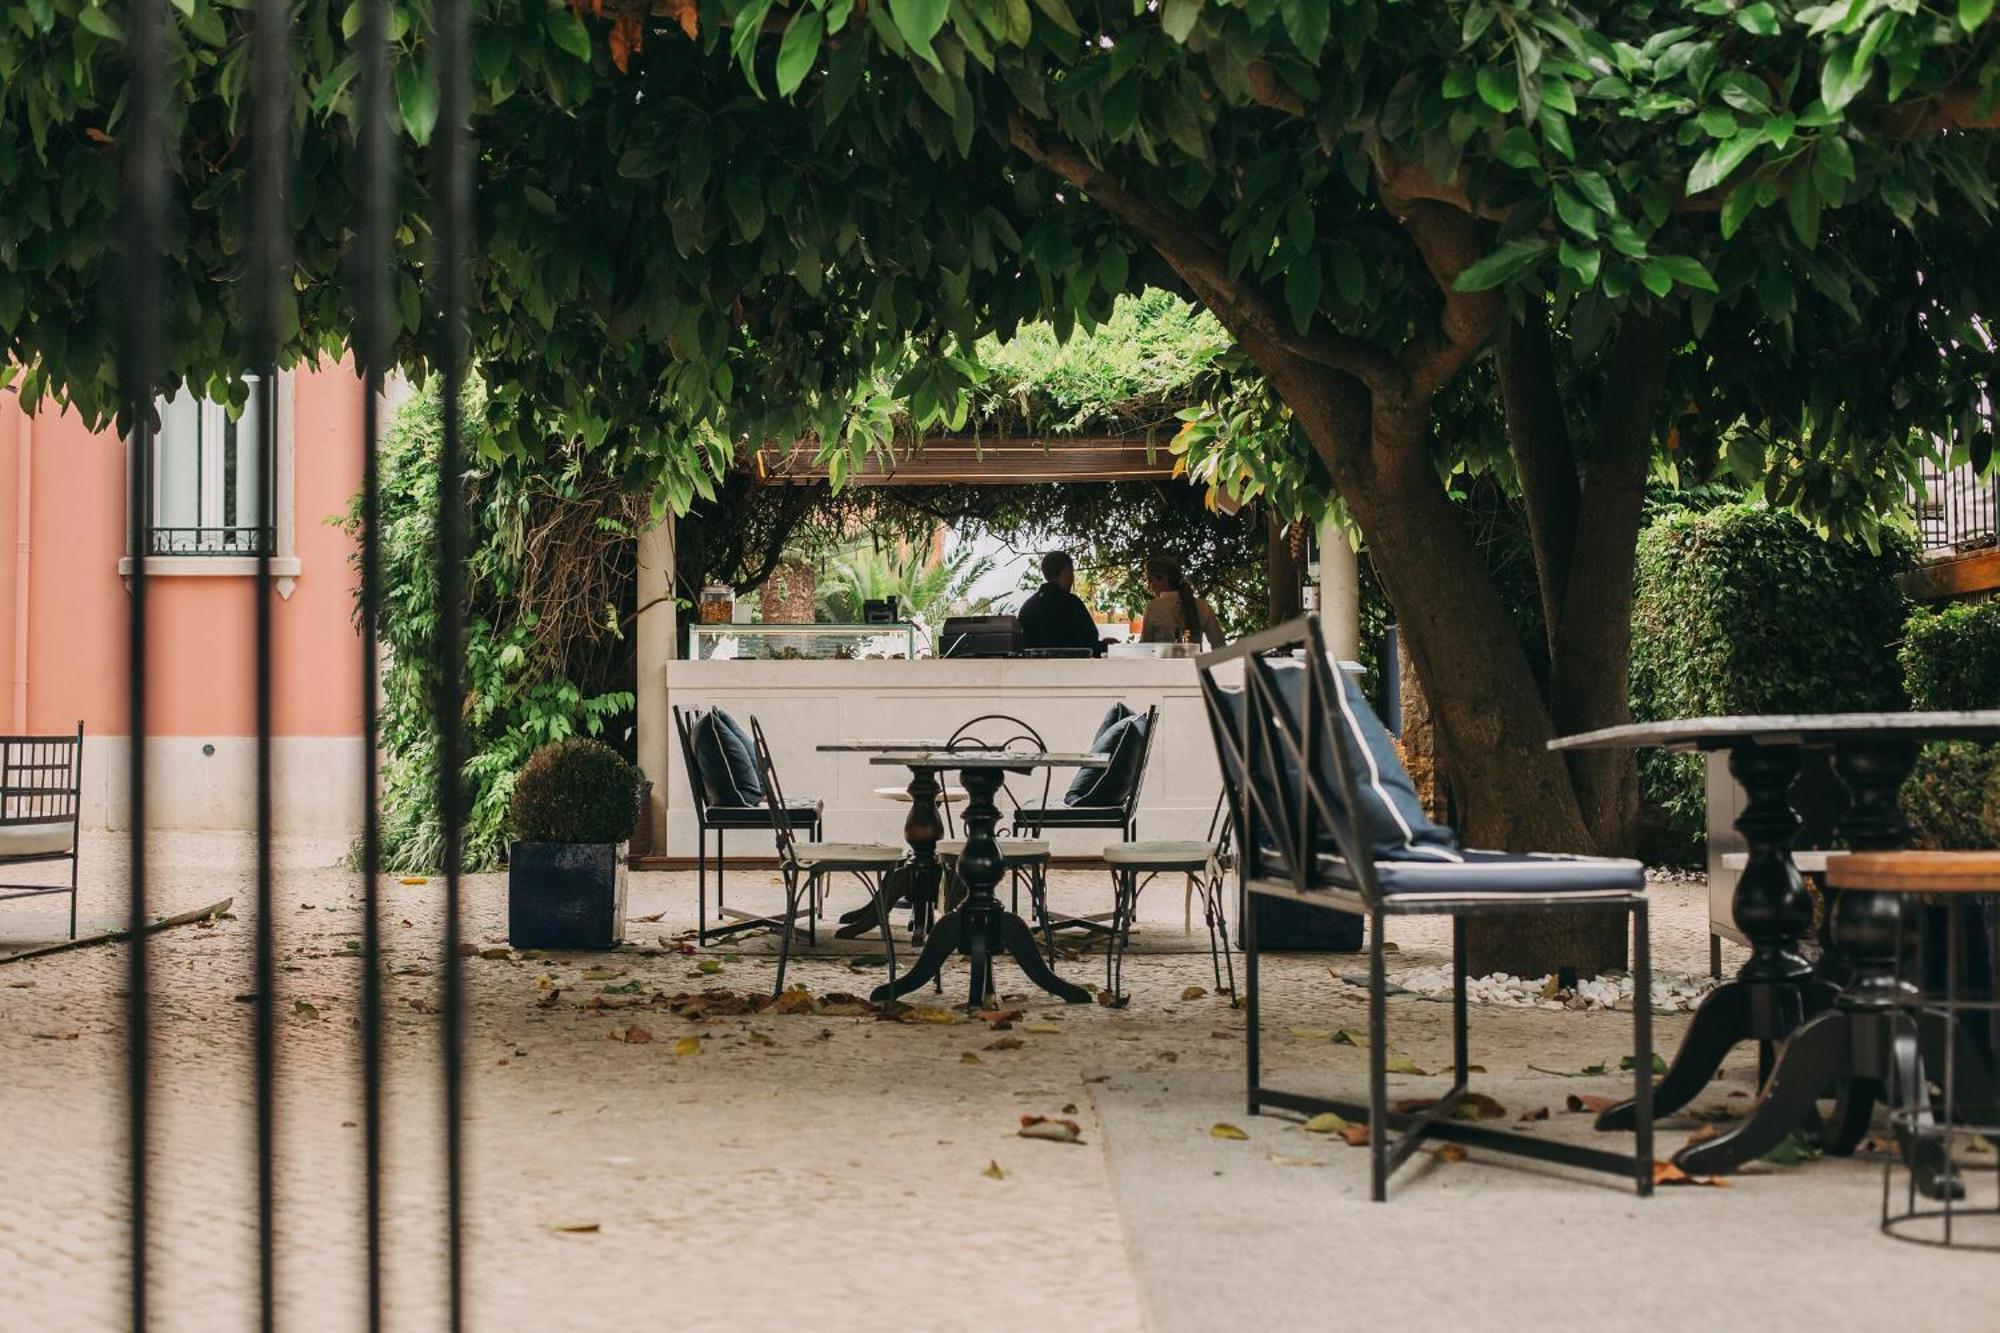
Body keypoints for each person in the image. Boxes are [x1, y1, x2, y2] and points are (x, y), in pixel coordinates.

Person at [1017, 551, 1106, 655]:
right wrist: (1105, 646)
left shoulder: (1028, 606)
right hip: (1070, 669)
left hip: (1033, 669)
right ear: (1067, 571)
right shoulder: (1071, 604)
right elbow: (1088, 643)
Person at [1139, 555, 1226, 649]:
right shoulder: (1202, 606)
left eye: (1150, 580)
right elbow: (1219, 645)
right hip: (1194, 663)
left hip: (1164, 663)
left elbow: (1144, 647)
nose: (1148, 587)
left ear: (1162, 579)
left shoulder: (1154, 607)